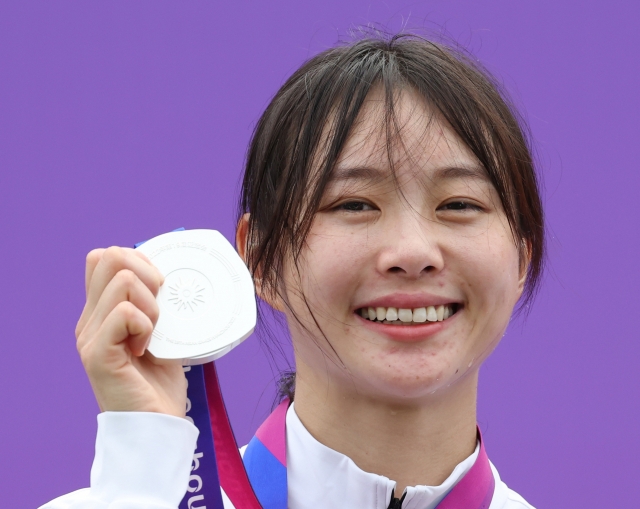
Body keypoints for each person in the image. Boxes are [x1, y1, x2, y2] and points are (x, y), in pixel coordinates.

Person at [41, 33, 543, 509]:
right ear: (260, 261)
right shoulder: (129, 498)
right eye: (354, 205)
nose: (412, 252)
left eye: (459, 203)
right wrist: (142, 476)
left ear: (522, 256)